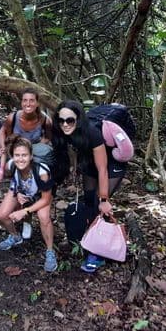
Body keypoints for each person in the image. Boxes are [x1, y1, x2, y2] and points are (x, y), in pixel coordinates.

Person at [51, 100, 128, 273]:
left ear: (78, 119)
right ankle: (87, 237)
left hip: (112, 161)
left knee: (99, 204)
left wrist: (104, 199)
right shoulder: (61, 131)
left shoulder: (92, 132)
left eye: (69, 120)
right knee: (88, 201)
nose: (65, 124)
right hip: (90, 159)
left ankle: (97, 254)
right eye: (61, 120)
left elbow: (102, 169)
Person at [0, 137, 57, 273]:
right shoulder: (11, 165)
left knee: (43, 217)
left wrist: (24, 211)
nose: (20, 159)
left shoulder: (42, 171)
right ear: (13, 156)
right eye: (17, 155)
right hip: (22, 191)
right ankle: (15, 236)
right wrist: (17, 192)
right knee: (3, 214)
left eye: (24, 155)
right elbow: (13, 180)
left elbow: (46, 199)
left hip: (40, 196)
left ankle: (50, 251)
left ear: (31, 156)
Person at [0, 88, 53, 190]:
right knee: (8, 168)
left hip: (34, 149)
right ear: (21, 102)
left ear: (37, 103)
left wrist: (42, 142)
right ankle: (21, 176)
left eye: (32, 100)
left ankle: (34, 179)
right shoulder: (13, 118)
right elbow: (3, 132)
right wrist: (4, 146)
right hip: (17, 149)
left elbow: (48, 138)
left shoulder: (45, 120)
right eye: (25, 100)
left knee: (46, 152)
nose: (28, 104)